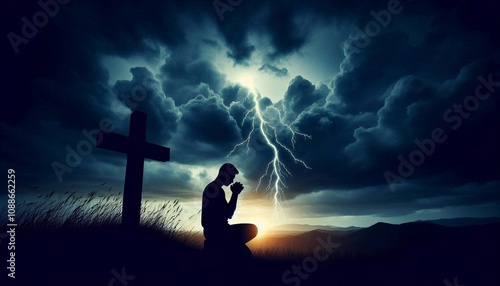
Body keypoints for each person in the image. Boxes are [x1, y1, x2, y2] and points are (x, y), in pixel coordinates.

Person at [201, 163, 258, 256]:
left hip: (214, 231)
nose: (232, 181)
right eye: (232, 177)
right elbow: (229, 214)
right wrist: (235, 194)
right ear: (224, 174)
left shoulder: (214, 188)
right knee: (252, 230)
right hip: (218, 232)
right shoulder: (215, 190)